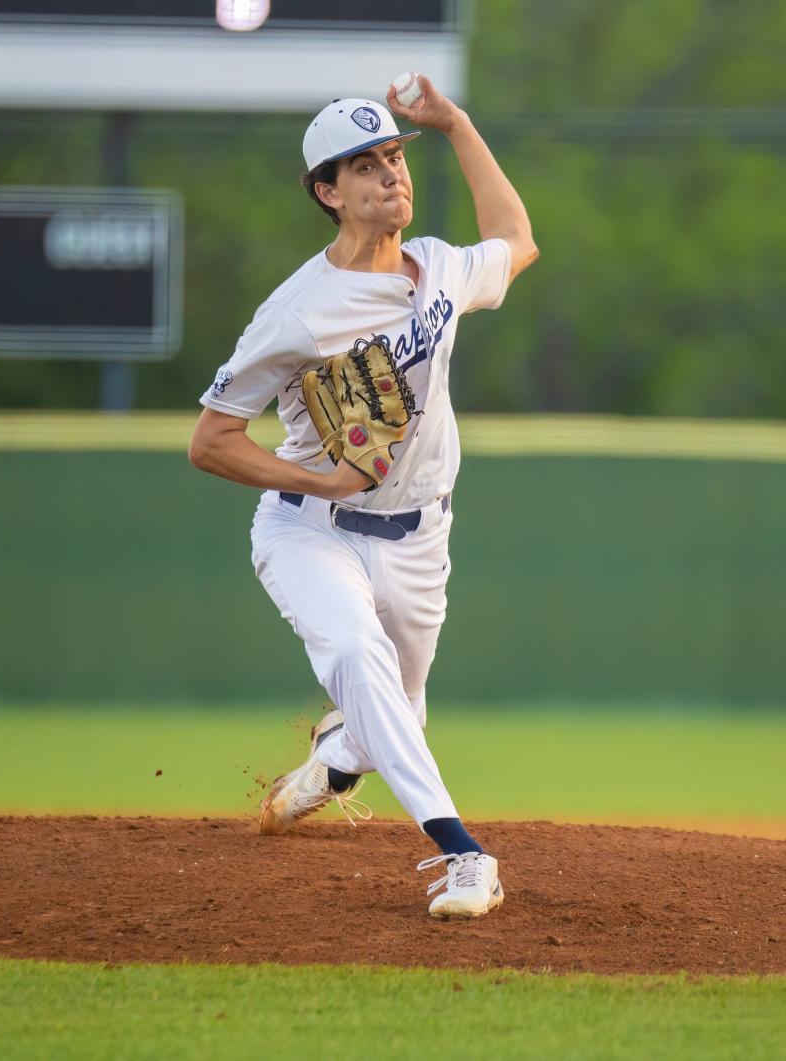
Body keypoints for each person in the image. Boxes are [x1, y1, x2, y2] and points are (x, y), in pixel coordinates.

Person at [189, 75, 538, 918]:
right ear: (327, 191)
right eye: (365, 165)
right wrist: (318, 479)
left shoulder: (445, 271)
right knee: (354, 652)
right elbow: (210, 441)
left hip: (420, 542)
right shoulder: (298, 314)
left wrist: (454, 121)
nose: (391, 175)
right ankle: (464, 854)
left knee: (392, 714)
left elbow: (517, 239)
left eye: (393, 156)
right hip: (313, 531)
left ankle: (339, 759)